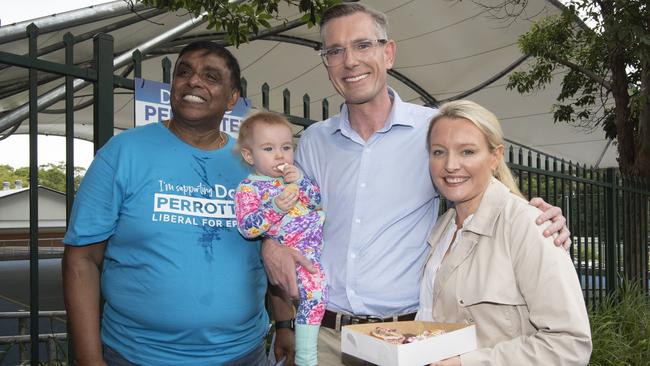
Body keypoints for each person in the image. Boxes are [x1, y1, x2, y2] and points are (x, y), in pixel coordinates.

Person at [262, 3, 573, 366]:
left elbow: (486, 191)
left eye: (363, 45)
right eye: (335, 51)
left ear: (388, 52)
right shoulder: (314, 141)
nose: (350, 61)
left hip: (406, 341)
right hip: (325, 337)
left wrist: (541, 217)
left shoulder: (434, 132)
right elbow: (290, 223)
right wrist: (270, 247)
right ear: (326, 63)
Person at [62, 41, 278, 365]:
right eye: (184, 72)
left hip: (243, 355)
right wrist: (88, 359)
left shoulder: (255, 168)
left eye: (211, 76)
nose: (194, 81)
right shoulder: (122, 153)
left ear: (233, 98)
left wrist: (286, 323)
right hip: (136, 356)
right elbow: (81, 261)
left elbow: (275, 252)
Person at [419, 100, 591, 365]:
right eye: (439, 152)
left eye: (467, 152)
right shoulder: (442, 227)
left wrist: (465, 363)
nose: (451, 165)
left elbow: (569, 345)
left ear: (495, 156)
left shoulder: (528, 226)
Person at [235, 111, 327, 366]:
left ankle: (306, 353)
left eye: (286, 147)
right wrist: (275, 208)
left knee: (317, 295)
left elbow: (316, 202)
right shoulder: (249, 187)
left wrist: (302, 183)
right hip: (297, 253)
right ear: (248, 155)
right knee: (315, 294)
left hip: (316, 247)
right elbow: (247, 227)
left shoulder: (295, 178)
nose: (280, 155)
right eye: (268, 148)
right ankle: (307, 357)